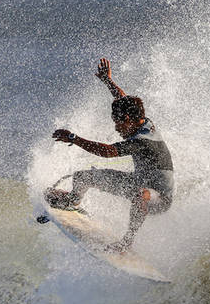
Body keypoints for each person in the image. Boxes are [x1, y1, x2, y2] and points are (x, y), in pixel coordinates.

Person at [49, 58, 174, 252]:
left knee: (141, 195)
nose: (116, 128)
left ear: (127, 120)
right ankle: (72, 200)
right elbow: (123, 99)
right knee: (84, 177)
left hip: (158, 198)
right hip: (137, 182)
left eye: (118, 123)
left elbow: (107, 151)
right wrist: (108, 81)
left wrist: (74, 138)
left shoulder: (143, 140)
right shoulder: (141, 119)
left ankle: (127, 242)